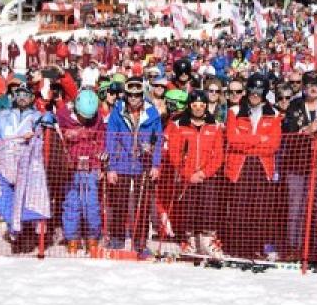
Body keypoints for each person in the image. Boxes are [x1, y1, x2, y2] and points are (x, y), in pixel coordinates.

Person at [0, 82, 50, 254]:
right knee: (2, 199)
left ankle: (27, 236)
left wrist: (38, 132)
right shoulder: (3, 115)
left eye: (26, 95)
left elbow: (47, 129)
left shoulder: (37, 116)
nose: (22, 98)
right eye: (19, 94)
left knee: (25, 201)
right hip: (5, 166)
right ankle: (14, 231)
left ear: (31, 98)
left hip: (27, 166)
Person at [280, 70, 317, 259]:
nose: (312, 88)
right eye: (308, 85)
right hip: (297, 166)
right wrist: (307, 130)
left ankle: (312, 248)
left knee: (315, 208)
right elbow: (288, 131)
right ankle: (294, 247)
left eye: (316, 84)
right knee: (295, 208)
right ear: (303, 87)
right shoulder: (295, 106)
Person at [224, 73, 282, 259]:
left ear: (265, 92)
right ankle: (237, 247)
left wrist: (249, 143)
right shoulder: (234, 111)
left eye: (259, 90)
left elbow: (273, 144)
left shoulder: (274, 114)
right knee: (239, 207)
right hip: (240, 165)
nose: (255, 94)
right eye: (252, 90)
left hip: (262, 165)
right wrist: (258, 139)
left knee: (259, 209)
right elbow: (233, 140)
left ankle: (256, 247)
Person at [104, 78, 163, 253]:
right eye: (130, 95)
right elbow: (111, 138)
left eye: (137, 95)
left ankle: (140, 241)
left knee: (142, 204)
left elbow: (158, 140)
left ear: (142, 95)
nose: (134, 99)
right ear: (126, 95)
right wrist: (111, 167)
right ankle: (116, 239)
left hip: (142, 164)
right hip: (122, 162)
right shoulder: (118, 112)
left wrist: (155, 164)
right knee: (119, 202)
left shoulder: (152, 113)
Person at [165, 90, 225, 258]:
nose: (198, 109)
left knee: (208, 207)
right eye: (195, 105)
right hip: (188, 175)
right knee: (188, 207)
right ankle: (189, 241)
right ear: (190, 106)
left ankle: (207, 241)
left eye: (201, 105)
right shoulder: (179, 125)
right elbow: (174, 153)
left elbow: (218, 155)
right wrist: (187, 173)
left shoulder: (215, 125)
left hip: (207, 175)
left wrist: (204, 173)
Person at [56, 89, 104, 254]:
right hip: (71, 168)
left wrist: (99, 163)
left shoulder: (97, 117)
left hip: (90, 166)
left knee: (91, 205)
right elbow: (57, 140)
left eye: (88, 118)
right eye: (83, 116)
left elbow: (101, 139)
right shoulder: (63, 115)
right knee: (72, 204)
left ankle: (92, 237)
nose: (86, 120)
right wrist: (68, 137)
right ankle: (72, 238)